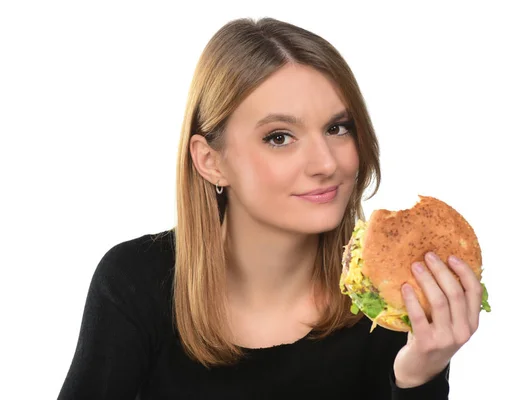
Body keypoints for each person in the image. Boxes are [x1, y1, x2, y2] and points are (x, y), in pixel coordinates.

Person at [58, 17, 482, 399]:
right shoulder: (135, 283)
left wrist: (418, 380)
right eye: (279, 137)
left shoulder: (385, 305)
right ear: (211, 160)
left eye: (337, 128)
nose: (327, 164)